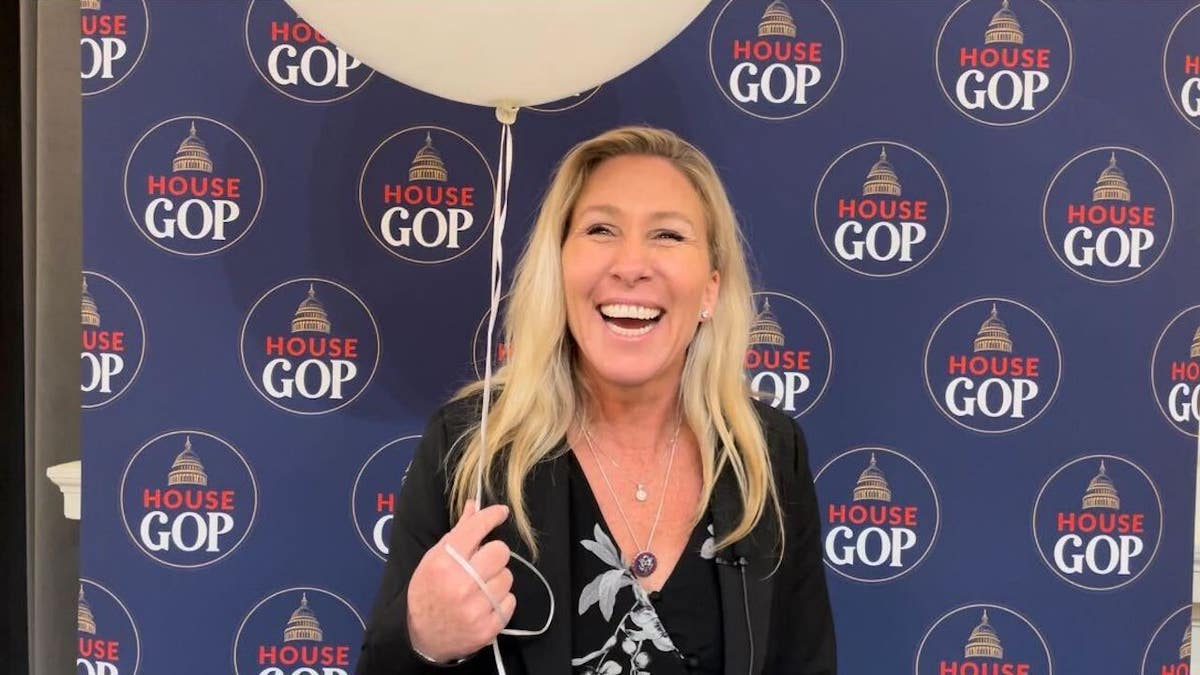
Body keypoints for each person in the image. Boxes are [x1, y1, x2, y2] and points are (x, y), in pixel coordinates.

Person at [356, 126, 836, 674]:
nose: (631, 265)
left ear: (711, 288)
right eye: (601, 229)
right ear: (558, 268)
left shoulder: (768, 454)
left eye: (668, 236)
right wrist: (422, 640)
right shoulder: (469, 445)